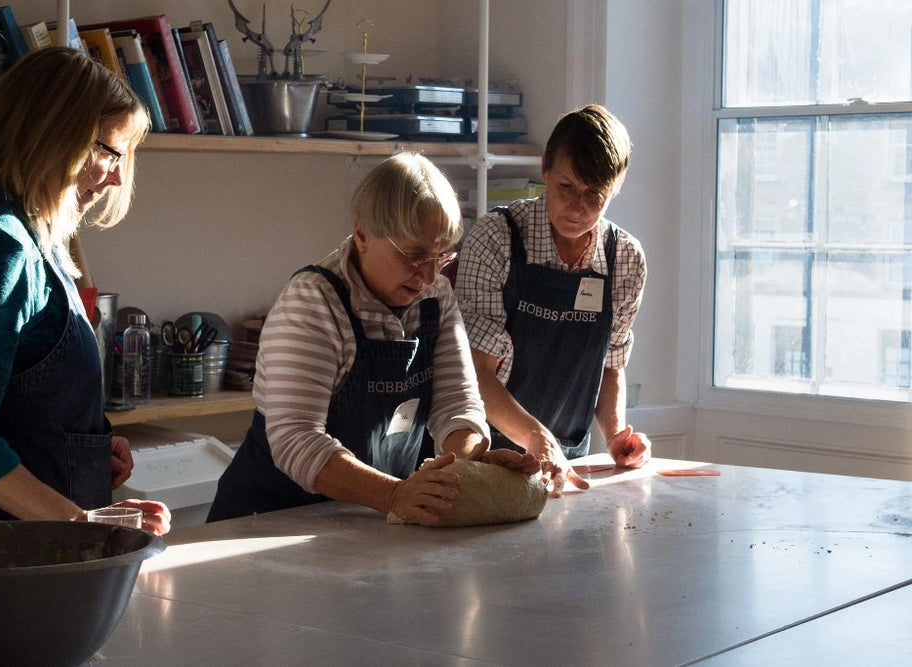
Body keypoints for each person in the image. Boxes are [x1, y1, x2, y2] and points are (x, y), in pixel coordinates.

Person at [0, 47, 170, 535]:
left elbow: (18, 399)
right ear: (57, 136)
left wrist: (84, 443)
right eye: (110, 153)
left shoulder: (19, 231)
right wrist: (80, 521)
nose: (116, 176)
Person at [208, 152, 539, 525]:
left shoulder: (436, 297)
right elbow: (296, 438)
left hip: (366, 519)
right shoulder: (313, 303)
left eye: (441, 257)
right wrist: (393, 494)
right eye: (414, 256)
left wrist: (470, 463)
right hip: (271, 521)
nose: (429, 276)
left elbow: (456, 405)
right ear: (363, 235)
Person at [454, 104, 651, 497]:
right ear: (545, 166)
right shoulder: (497, 239)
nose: (578, 208)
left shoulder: (626, 259)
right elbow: (476, 373)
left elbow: (610, 364)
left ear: (616, 187)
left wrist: (616, 435)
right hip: (486, 452)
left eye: (594, 194)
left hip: (568, 459)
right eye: (566, 187)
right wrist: (536, 438)